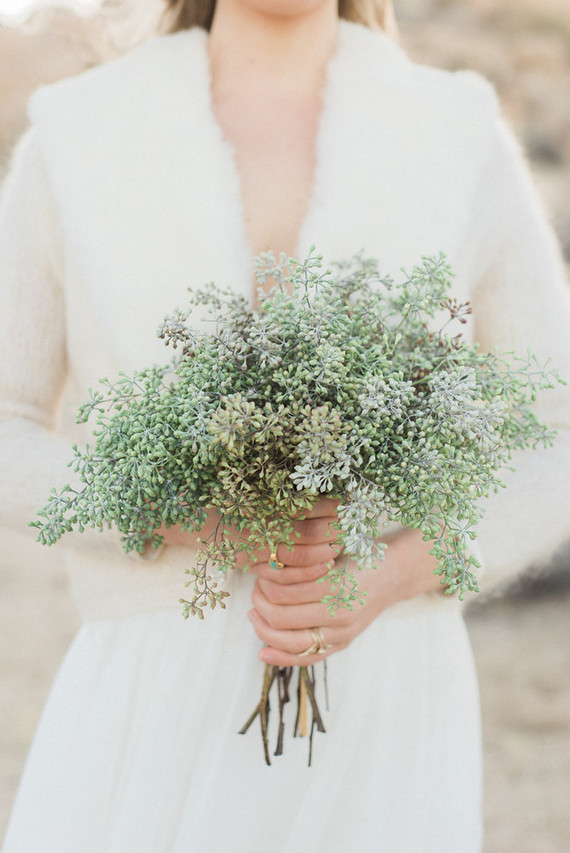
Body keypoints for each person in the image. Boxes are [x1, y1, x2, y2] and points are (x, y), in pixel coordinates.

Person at [1, 1, 570, 850]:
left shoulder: (455, 137)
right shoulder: (77, 137)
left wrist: (393, 572)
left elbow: (556, 433)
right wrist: (187, 516)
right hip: (150, 698)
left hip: (387, 702)